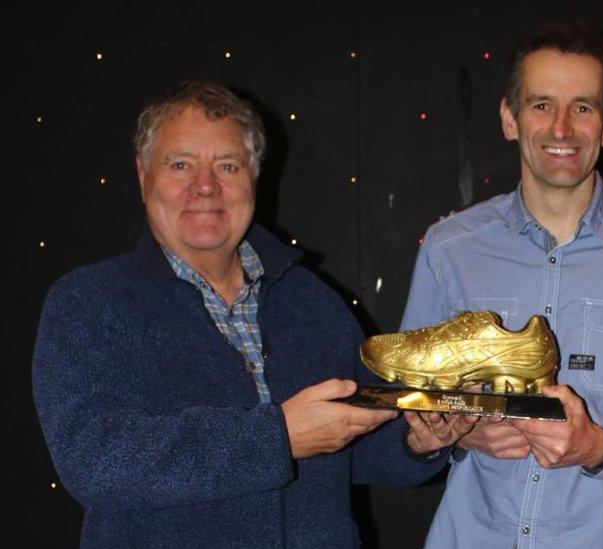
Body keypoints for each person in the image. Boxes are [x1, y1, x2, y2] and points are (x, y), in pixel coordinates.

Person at [32, 81, 472, 547]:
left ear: (253, 178)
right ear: (144, 178)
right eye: (180, 165)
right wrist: (277, 437)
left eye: (227, 165)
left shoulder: (311, 299)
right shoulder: (88, 302)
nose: (205, 186)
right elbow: (97, 462)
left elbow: (355, 444)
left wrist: (417, 442)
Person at [399, 22, 603, 548]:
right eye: (541, 105)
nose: (561, 127)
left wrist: (598, 447)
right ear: (509, 117)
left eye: (582, 108)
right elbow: (417, 402)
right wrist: (451, 433)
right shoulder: (451, 248)